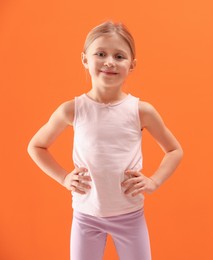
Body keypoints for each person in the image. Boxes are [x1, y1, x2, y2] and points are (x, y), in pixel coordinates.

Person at [27, 20, 183, 260]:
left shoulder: (141, 111)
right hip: (86, 216)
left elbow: (174, 150)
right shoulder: (72, 110)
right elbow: (36, 146)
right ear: (85, 60)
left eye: (119, 56)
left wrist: (154, 182)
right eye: (100, 53)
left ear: (132, 65)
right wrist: (63, 177)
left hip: (130, 216)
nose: (109, 61)